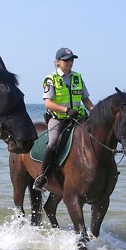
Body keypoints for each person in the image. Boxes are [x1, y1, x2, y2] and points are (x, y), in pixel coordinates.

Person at [33, 48, 94, 192]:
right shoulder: (51, 79)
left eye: (71, 60)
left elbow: (86, 99)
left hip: (79, 117)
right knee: (53, 142)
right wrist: (66, 110)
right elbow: (48, 103)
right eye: (66, 60)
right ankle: (42, 176)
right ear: (57, 62)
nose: (70, 62)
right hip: (58, 118)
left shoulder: (78, 77)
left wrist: (94, 112)